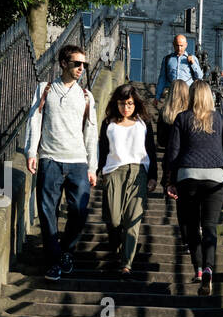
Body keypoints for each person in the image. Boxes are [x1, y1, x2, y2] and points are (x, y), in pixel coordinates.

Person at [25, 44, 98, 281]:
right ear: (64, 63)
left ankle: (65, 250)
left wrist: (92, 167)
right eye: (77, 63)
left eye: (84, 65)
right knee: (48, 213)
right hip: (50, 159)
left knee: (78, 211)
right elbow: (34, 121)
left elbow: (91, 133)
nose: (81, 68)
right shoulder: (45, 89)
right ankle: (55, 260)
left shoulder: (86, 96)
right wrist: (31, 152)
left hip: (78, 162)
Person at [164, 80, 223, 296]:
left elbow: (173, 152)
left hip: (188, 176)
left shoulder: (182, 118)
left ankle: (197, 268)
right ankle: (208, 268)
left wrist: (169, 180)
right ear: (210, 97)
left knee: (192, 225)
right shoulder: (222, 119)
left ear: (192, 96)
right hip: (215, 177)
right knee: (210, 226)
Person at [97, 84, 158, 277]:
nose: (126, 107)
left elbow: (151, 150)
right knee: (114, 219)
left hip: (138, 172)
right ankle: (116, 247)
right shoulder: (109, 123)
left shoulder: (143, 122)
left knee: (133, 220)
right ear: (116, 103)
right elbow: (103, 150)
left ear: (136, 103)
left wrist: (153, 176)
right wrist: (100, 172)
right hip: (114, 172)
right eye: (123, 103)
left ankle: (127, 264)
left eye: (130, 103)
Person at [155, 34, 204, 101]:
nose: (179, 48)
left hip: (187, 95)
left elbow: (200, 77)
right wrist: (157, 96)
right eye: (177, 45)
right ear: (173, 44)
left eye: (181, 46)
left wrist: (193, 63)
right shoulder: (167, 59)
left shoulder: (193, 58)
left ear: (186, 45)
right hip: (172, 95)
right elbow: (162, 79)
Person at [155, 80, 190, 159]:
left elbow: (161, 141)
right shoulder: (190, 114)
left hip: (169, 156)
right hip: (187, 157)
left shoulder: (164, 112)